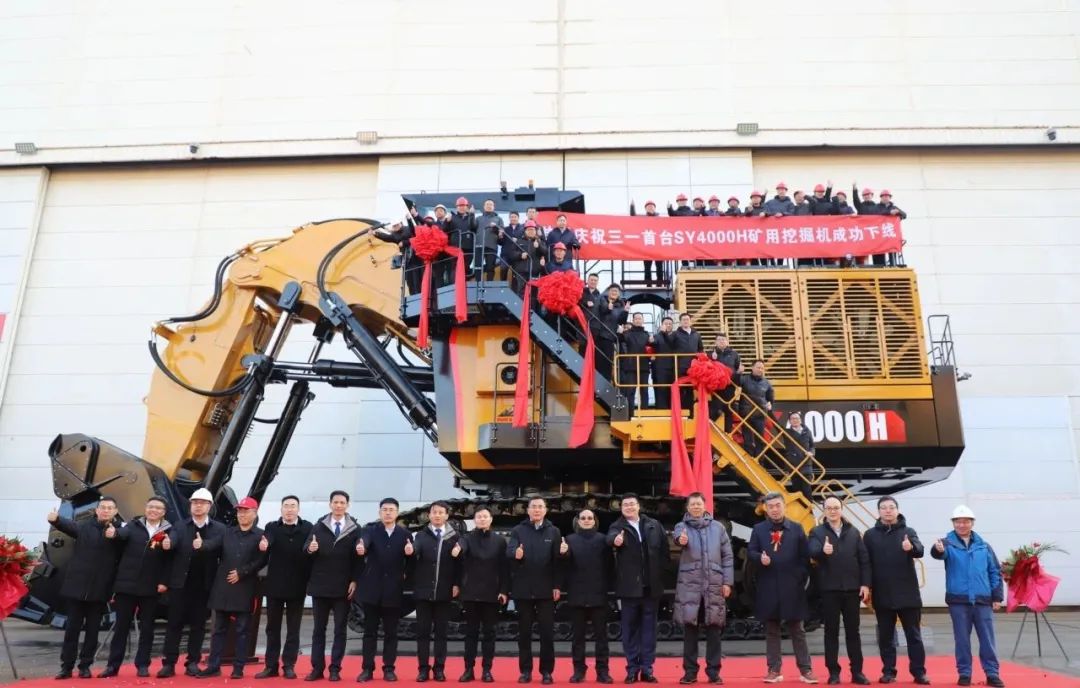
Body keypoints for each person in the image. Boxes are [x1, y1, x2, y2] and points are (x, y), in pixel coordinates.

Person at [931, 505, 1005, 688]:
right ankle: (964, 673)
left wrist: (997, 597)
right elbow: (938, 554)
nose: (962, 525)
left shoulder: (984, 546)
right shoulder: (946, 543)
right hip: (958, 601)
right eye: (958, 521)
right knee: (962, 640)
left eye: (966, 521)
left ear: (972, 523)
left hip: (983, 600)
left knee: (988, 639)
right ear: (953, 523)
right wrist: (937, 549)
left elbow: (995, 571)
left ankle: (992, 673)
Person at [47, 497, 121, 680]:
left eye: (109, 508)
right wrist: (56, 520)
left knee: (93, 632)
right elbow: (68, 526)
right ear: (97, 510)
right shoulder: (85, 527)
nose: (105, 510)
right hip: (76, 588)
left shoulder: (120, 532)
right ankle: (66, 667)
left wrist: (116, 535)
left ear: (115, 511)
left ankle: (85, 666)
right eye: (102, 507)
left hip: (100, 590)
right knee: (71, 630)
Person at [747, 493, 816, 685]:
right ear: (766, 509)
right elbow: (751, 551)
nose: (775, 509)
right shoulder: (759, 529)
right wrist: (759, 558)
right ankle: (774, 670)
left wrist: (799, 577)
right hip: (768, 585)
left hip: (792, 587)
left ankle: (806, 670)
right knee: (772, 629)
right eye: (771, 507)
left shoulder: (796, 528)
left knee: (797, 629)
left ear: (784, 506)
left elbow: (805, 557)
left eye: (778, 505)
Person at [103, 495, 173, 678]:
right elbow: (121, 535)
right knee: (121, 627)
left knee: (147, 628)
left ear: (164, 512)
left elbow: (169, 561)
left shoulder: (168, 531)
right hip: (126, 585)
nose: (153, 510)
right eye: (151, 506)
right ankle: (112, 666)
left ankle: (142, 664)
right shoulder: (133, 526)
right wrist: (114, 534)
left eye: (158, 508)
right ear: (145, 508)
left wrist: (164, 581)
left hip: (151, 587)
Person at [862, 496, 929, 685]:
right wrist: (866, 585)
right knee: (886, 637)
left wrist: (911, 547)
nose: (888, 511)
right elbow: (865, 563)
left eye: (891, 507)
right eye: (883, 508)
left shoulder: (908, 531)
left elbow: (920, 550)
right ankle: (889, 672)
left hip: (908, 594)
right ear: (879, 512)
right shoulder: (870, 535)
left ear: (897, 510)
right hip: (882, 594)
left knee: (914, 636)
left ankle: (919, 672)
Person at [199, 496, 268, 679]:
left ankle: (238, 667)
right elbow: (213, 545)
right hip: (222, 587)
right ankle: (214, 666)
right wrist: (202, 545)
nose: (242, 514)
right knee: (218, 630)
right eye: (239, 511)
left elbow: (261, 561)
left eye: (246, 511)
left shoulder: (260, 536)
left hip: (244, 588)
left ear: (254, 513)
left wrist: (242, 572)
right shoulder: (227, 532)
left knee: (242, 630)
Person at [160, 488, 226, 678]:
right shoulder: (180, 525)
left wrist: (203, 545)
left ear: (209, 506)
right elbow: (173, 541)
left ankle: (193, 662)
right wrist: (168, 544)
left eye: (202, 503)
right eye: (195, 502)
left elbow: (221, 549)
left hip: (204, 586)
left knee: (198, 626)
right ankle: (169, 663)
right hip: (180, 584)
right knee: (174, 624)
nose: (198, 506)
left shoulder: (220, 529)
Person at [809, 496, 871, 685]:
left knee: (853, 632)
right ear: (824, 511)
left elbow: (864, 560)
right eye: (829, 508)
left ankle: (857, 672)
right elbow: (811, 551)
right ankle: (833, 673)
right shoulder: (817, 532)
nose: (833, 511)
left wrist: (865, 584)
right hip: (829, 590)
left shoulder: (853, 532)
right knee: (831, 632)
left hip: (852, 590)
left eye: (836, 507)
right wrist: (823, 551)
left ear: (841, 509)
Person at [672, 493, 733, 685]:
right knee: (690, 631)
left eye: (699, 504)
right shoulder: (681, 526)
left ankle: (714, 673)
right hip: (690, 587)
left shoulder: (718, 528)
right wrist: (680, 540)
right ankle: (690, 673)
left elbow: (727, 556)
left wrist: (727, 582)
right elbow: (677, 538)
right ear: (687, 507)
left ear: (705, 506)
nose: (696, 507)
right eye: (693, 504)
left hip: (714, 585)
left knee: (714, 631)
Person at [607, 494, 666, 684]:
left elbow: (664, 552)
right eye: (625, 505)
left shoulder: (654, 525)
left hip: (651, 587)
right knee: (630, 631)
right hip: (629, 588)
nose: (629, 507)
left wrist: (659, 575)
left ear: (639, 506)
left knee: (649, 631)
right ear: (621, 508)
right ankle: (632, 668)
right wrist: (615, 541)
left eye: (632, 504)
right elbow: (610, 539)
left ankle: (647, 669)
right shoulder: (617, 526)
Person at [305, 490, 361, 682]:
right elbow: (306, 550)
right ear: (330, 504)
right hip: (320, 586)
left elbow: (358, 559)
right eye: (335, 502)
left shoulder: (355, 529)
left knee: (340, 631)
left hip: (343, 588)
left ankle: (335, 668)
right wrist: (310, 549)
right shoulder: (319, 526)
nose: (338, 505)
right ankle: (317, 668)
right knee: (318, 630)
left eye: (342, 502)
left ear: (347, 505)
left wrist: (355, 580)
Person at [256, 495, 314, 680]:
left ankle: (289, 665)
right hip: (275, 585)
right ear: (281, 509)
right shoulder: (272, 527)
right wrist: (264, 545)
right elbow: (267, 542)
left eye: (293, 506)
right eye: (286, 506)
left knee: (293, 629)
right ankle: (271, 666)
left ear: (298, 509)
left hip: (297, 585)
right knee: (272, 628)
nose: (289, 509)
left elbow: (311, 552)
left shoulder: (307, 527)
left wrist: (313, 549)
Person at [356, 497, 413, 683]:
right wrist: (361, 546)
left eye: (391, 510)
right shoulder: (370, 530)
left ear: (397, 513)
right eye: (385, 509)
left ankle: (389, 668)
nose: (388, 513)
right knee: (369, 633)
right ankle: (367, 669)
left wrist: (409, 558)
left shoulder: (405, 534)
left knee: (391, 633)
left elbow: (411, 562)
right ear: (379, 512)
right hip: (372, 590)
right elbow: (364, 541)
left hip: (393, 591)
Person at [506, 496, 562, 685]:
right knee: (524, 633)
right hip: (523, 589)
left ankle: (547, 671)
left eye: (540, 507)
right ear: (528, 510)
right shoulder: (518, 530)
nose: (537, 510)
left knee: (547, 633)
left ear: (545, 510)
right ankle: (525, 671)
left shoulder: (553, 531)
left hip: (546, 590)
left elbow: (557, 562)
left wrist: (557, 586)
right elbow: (510, 550)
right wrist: (516, 553)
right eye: (533, 507)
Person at [455, 506, 508, 683]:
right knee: (471, 633)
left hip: (492, 594)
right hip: (471, 593)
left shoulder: (499, 541)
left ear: (491, 519)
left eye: (485, 516)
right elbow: (461, 551)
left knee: (489, 633)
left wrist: (504, 590)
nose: (482, 519)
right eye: (479, 516)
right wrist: (458, 550)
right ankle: (468, 669)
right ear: (474, 520)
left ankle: (487, 669)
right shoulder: (466, 538)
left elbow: (504, 569)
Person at [562, 509, 613, 684]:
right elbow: (565, 566)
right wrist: (563, 553)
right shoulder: (569, 540)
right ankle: (578, 670)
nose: (586, 520)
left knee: (602, 637)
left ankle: (602, 671)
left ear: (595, 521)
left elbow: (610, 566)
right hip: (576, 594)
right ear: (578, 521)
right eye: (583, 518)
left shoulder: (603, 540)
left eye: (589, 518)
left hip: (599, 594)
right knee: (577, 637)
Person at [412, 501, 461, 683]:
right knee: (423, 633)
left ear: (447, 515)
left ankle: (439, 669)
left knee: (441, 633)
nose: (437, 515)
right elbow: (414, 553)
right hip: (423, 591)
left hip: (444, 591)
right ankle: (423, 669)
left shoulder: (454, 537)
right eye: (434, 512)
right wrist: (410, 551)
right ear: (429, 515)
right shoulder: (420, 536)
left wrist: (456, 584)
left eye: (441, 512)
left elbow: (460, 565)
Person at [738, 359, 774, 458]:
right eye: (758, 367)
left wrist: (770, 404)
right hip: (746, 414)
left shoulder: (767, 383)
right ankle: (749, 460)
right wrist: (738, 372)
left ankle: (759, 461)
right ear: (752, 368)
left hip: (760, 415)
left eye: (762, 368)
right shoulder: (744, 379)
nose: (760, 370)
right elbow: (733, 382)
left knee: (760, 440)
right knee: (747, 440)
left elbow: (770, 398)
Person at [619, 312, 651, 413]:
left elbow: (651, 348)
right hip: (631, 366)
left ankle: (645, 413)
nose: (638, 320)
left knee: (644, 391)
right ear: (633, 321)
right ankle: (630, 413)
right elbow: (620, 340)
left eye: (639, 318)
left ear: (643, 320)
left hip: (644, 366)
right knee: (630, 391)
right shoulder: (627, 333)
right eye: (636, 318)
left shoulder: (647, 335)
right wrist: (620, 333)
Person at [707, 334, 741, 432]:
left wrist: (738, 374)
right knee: (715, 410)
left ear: (727, 342)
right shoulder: (710, 354)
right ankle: (709, 432)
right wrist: (711, 358)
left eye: (723, 339)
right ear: (715, 342)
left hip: (730, 386)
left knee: (729, 410)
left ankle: (728, 433)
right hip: (716, 387)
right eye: (719, 340)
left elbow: (738, 368)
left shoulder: (734, 354)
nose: (721, 341)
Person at [595, 284, 628, 382]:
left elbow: (621, 321)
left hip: (610, 335)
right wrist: (608, 308)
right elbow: (600, 312)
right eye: (612, 291)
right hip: (600, 333)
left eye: (616, 291)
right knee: (599, 359)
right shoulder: (603, 299)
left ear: (619, 294)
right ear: (609, 292)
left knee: (608, 360)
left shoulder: (620, 305)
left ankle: (606, 381)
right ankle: (599, 380)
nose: (614, 293)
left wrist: (626, 312)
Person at [630, 200, 665, 286]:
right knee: (647, 266)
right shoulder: (643, 218)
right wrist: (632, 207)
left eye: (652, 206)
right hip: (647, 246)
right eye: (648, 207)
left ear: (654, 208)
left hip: (658, 246)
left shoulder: (660, 219)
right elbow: (633, 216)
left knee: (659, 266)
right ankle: (648, 283)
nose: (650, 208)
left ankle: (659, 283)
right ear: (645, 209)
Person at [674, 313, 704, 411]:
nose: (685, 321)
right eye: (683, 319)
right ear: (680, 322)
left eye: (687, 319)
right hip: (680, 366)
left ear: (690, 321)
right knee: (681, 389)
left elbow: (700, 349)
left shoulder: (696, 334)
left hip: (693, 367)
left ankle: (690, 411)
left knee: (691, 389)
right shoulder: (675, 334)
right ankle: (682, 411)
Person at [783, 412, 816, 500]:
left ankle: (810, 508)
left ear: (800, 420)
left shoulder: (807, 431)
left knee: (807, 490)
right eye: (792, 418)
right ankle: (800, 508)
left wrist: (811, 452)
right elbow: (775, 423)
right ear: (789, 421)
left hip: (806, 464)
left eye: (797, 418)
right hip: (793, 465)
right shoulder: (786, 432)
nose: (795, 420)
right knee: (797, 490)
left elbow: (812, 446)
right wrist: (770, 411)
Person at [506, 221, 546, 292]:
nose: (531, 231)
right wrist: (520, 255)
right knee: (520, 293)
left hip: (535, 273)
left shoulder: (540, 242)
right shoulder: (518, 241)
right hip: (521, 273)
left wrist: (538, 247)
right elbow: (511, 254)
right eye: (529, 229)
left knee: (533, 294)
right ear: (525, 231)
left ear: (535, 231)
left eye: (532, 230)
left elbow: (545, 253)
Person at [446, 197, 478, 280]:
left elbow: (474, 227)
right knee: (455, 267)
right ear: (457, 207)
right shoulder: (452, 217)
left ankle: (464, 285)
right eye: (460, 206)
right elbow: (445, 230)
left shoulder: (471, 217)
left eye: (463, 206)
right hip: (455, 247)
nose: (461, 207)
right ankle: (454, 285)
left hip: (468, 247)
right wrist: (447, 222)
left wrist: (472, 215)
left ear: (467, 207)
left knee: (466, 267)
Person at [650, 317, 676, 410]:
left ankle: (672, 409)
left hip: (673, 366)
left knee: (672, 389)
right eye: (666, 323)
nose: (668, 325)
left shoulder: (675, 336)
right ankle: (661, 409)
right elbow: (653, 343)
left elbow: (672, 344)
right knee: (661, 389)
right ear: (662, 325)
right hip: (660, 367)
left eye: (670, 324)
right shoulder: (657, 336)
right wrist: (651, 341)